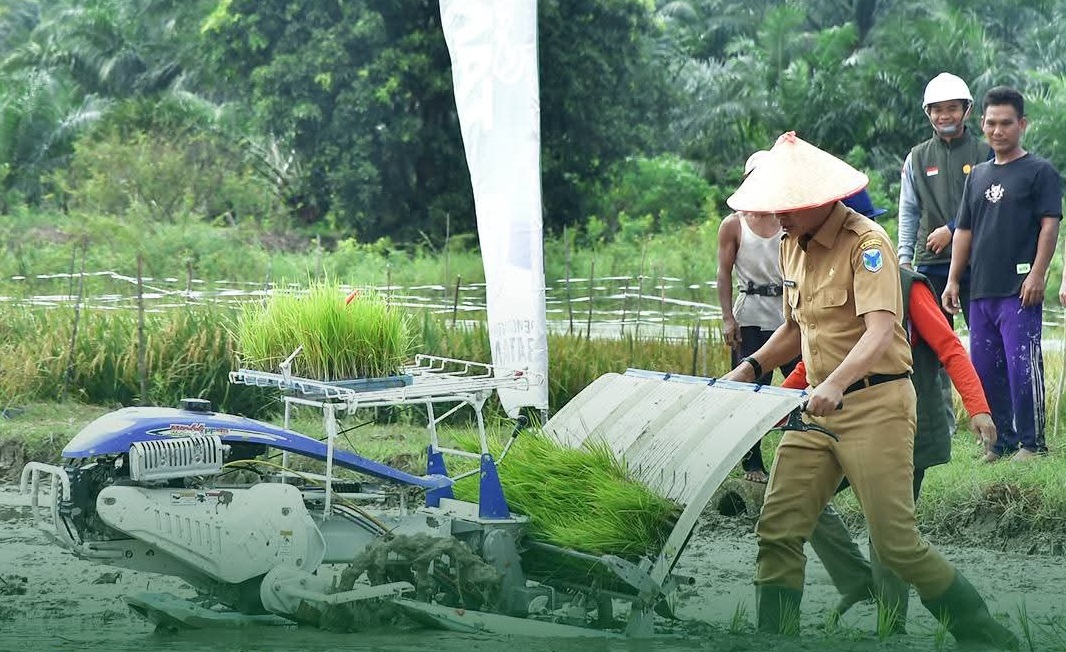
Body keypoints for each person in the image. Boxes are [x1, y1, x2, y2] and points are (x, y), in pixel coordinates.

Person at [721, 131, 1017, 648]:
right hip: (815, 410)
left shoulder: (868, 245)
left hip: (876, 405)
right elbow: (795, 328)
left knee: (897, 545)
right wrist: (750, 367)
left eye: (784, 208)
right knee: (780, 526)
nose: (776, 219)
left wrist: (833, 384)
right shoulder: (790, 245)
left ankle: (983, 632)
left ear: (816, 201)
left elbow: (880, 331)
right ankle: (776, 637)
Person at [793, 189, 997, 635]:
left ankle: (891, 628)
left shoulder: (906, 285)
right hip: (835, 421)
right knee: (799, 510)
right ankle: (855, 580)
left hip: (901, 424)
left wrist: (978, 409)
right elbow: (819, 359)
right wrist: (779, 402)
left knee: (889, 536)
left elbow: (949, 349)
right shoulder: (817, 272)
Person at [943, 86, 1062, 463]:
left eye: (1006, 123)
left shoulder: (1039, 171)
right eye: (991, 123)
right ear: (982, 124)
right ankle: (1001, 442)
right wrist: (953, 279)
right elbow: (964, 231)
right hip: (981, 291)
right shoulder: (977, 175)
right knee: (985, 370)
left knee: (1022, 366)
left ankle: (1032, 443)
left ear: (1021, 125)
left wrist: (1038, 274)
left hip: (1020, 289)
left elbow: (1049, 226)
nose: (998, 131)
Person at [898, 72, 992, 440]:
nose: (944, 116)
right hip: (930, 264)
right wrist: (904, 260)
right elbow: (908, 210)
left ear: (967, 111)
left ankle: (988, 418)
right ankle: (941, 426)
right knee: (931, 349)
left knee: (984, 344)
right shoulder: (917, 157)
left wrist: (952, 228)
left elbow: (987, 203)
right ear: (928, 114)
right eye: (936, 110)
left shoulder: (985, 152)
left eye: (952, 108)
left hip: (980, 263)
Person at [717, 150, 799, 483]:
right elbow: (723, 273)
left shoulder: (789, 218)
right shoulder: (733, 224)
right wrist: (727, 318)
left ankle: (801, 455)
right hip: (749, 310)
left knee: (800, 383)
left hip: (786, 311)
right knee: (748, 387)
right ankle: (751, 462)